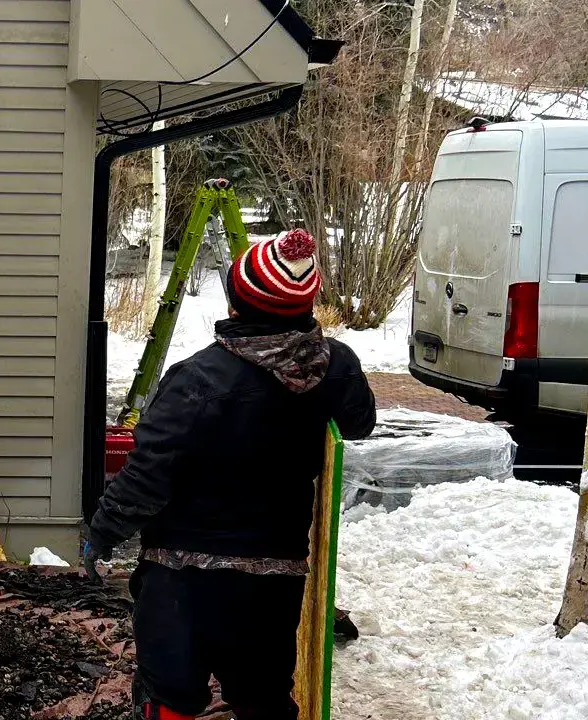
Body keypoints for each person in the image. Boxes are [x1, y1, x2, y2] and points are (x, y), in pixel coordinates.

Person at [85, 229, 375, 720]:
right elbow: (359, 422)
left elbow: (146, 477)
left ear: (238, 302)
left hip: (182, 578)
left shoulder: (198, 379)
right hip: (273, 578)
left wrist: (104, 531)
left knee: (170, 697)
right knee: (261, 697)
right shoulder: (335, 367)